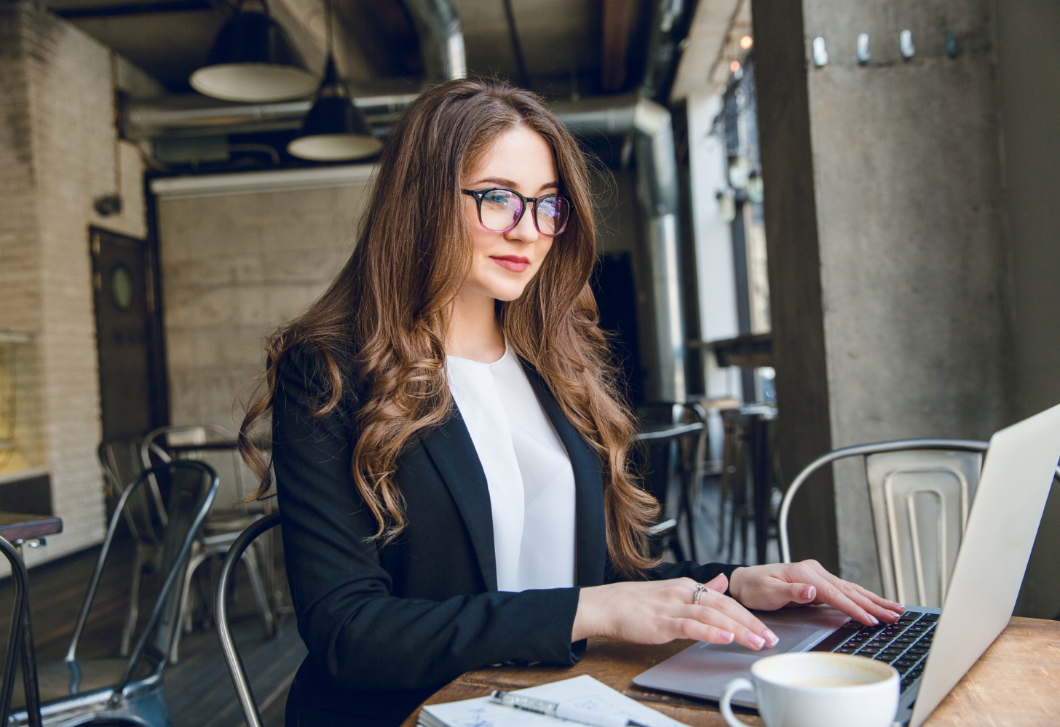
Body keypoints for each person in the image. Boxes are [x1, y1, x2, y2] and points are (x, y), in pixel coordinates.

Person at [238, 77, 904, 727]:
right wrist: (594, 609)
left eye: (547, 203)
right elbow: (349, 630)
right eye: (498, 198)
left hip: (561, 699)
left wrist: (734, 580)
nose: (529, 230)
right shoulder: (329, 370)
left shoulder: (554, 362)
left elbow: (594, 582)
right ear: (423, 200)